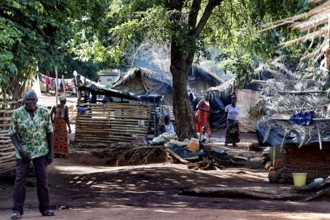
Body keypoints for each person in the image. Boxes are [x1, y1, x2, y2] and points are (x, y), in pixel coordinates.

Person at [9, 90, 55, 219]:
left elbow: (50, 132)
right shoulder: (17, 114)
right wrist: (20, 149)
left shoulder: (44, 112)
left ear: (37, 101)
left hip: (41, 151)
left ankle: (45, 209)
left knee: (42, 180)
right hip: (23, 152)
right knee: (19, 181)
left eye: (33, 100)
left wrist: (51, 152)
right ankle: (17, 211)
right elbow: (12, 133)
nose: (30, 102)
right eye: (28, 100)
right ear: (24, 100)